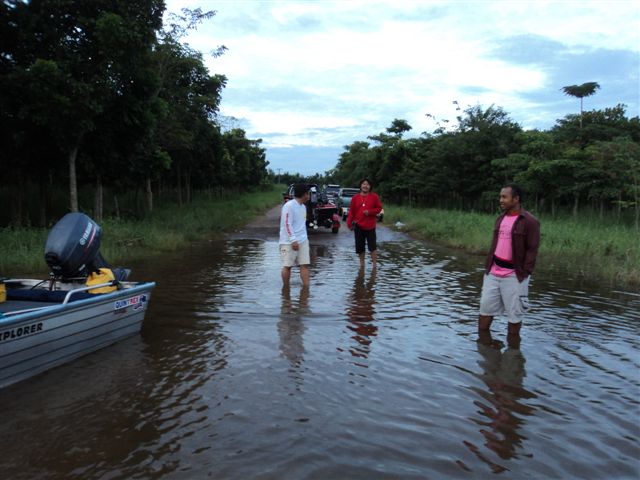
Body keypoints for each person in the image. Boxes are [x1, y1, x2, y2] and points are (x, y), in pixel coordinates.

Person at [478, 184, 540, 338]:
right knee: (485, 311)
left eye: (504, 197)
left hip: (515, 275)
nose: (501, 200)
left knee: (514, 316)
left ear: (516, 199)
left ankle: (513, 354)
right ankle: (485, 349)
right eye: (500, 196)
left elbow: (532, 249)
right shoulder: (500, 218)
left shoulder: (530, 221)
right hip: (493, 272)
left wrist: (525, 273)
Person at [346, 178, 383, 268]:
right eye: (363, 184)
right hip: (358, 226)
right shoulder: (355, 198)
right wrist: (349, 224)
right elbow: (351, 212)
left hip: (370, 226)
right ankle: (362, 265)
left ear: (370, 187)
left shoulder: (374, 197)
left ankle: (374, 266)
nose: (365, 186)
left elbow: (379, 208)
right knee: (360, 247)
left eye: (367, 184)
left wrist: (370, 212)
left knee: (372, 247)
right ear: (360, 186)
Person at [279, 183, 311, 287]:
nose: (309, 196)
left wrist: (304, 239)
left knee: (305, 265)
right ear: (303, 194)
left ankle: (306, 288)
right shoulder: (289, 206)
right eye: (308, 194)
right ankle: (286, 288)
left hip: (303, 240)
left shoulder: (303, 207)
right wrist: (293, 240)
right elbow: (287, 224)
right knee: (287, 266)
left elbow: (302, 224)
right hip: (288, 241)